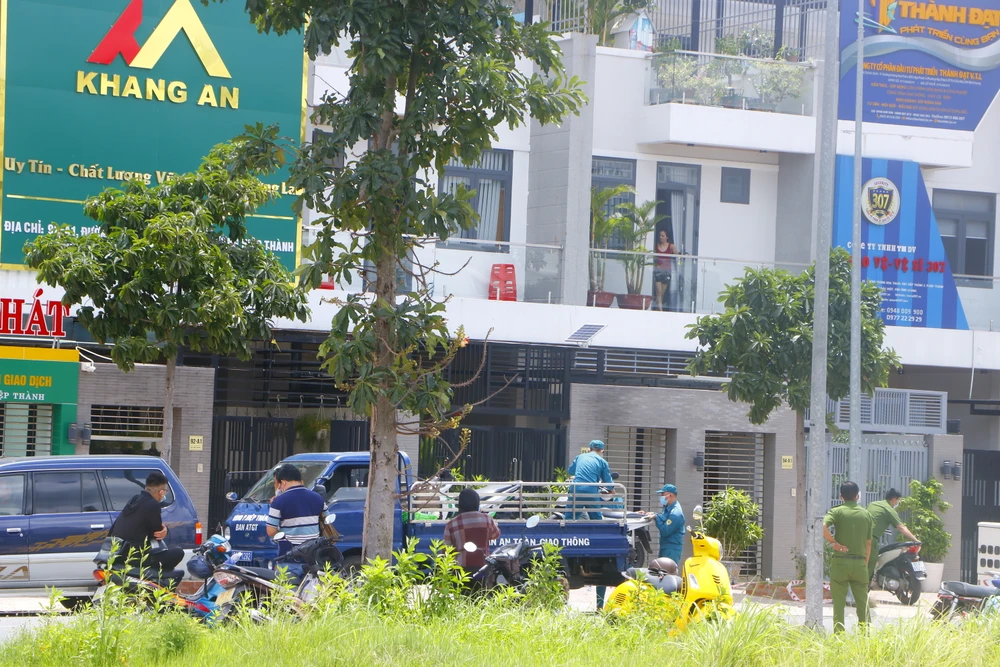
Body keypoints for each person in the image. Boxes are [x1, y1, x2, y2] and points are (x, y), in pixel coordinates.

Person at [109, 471, 183, 576]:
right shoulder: (153, 505)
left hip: (118, 554)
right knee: (178, 552)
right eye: (165, 491)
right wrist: (165, 530)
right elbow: (157, 533)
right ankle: (155, 579)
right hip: (136, 557)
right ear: (161, 492)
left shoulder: (134, 499)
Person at [824, 481, 874, 633]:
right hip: (860, 564)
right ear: (858, 496)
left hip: (840, 563)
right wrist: (865, 562)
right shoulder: (866, 514)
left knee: (839, 604)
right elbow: (869, 543)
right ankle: (865, 635)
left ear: (841, 496)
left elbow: (822, 525)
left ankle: (839, 636)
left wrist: (834, 543)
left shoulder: (837, 511)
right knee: (862, 603)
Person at [266, 463, 325, 556]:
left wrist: (283, 539)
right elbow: (326, 519)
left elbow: (271, 531)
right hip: (314, 552)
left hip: (290, 553)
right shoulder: (318, 497)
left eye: (277, 484)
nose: (277, 487)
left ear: (283, 482)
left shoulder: (278, 501)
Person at [867, 488, 920, 581]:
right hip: (870, 539)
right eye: (898, 500)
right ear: (894, 499)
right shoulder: (889, 510)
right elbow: (901, 527)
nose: (897, 503)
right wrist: (915, 540)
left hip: (859, 536)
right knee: (872, 561)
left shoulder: (873, 504)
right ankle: (865, 583)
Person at [442, 489, 501, 574]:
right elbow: (496, 534)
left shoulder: (451, 524)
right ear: (477, 502)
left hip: (460, 572)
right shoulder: (487, 519)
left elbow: (446, 550)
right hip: (483, 568)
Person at [567, 440, 613, 521]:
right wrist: (612, 489)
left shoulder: (580, 457)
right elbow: (607, 480)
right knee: (596, 519)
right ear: (602, 451)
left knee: (569, 518)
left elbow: (570, 471)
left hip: (576, 489)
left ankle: (567, 528)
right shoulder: (603, 462)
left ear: (590, 449)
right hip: (591, 491)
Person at [647, 484, 685, 563]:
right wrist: (654, 514)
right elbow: (664, 518)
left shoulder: (675, 513)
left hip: (671, 549)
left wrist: (656, 517)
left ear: (670, 495)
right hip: (665, 546)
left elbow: (665, 530)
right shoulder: (668, 508)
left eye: (662, 494)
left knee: (668, 570)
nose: (661, 497)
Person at [652, 229, 677, 311]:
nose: (661, 237)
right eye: (660, 236)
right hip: (658, 271)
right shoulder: (656, 245)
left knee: (662, 292)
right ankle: (661, 311)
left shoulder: (671, 246)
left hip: (667, 271)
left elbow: (677, 255)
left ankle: (657, 307)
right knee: (658, 291)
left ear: (667, 237)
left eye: (663, 236)